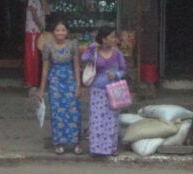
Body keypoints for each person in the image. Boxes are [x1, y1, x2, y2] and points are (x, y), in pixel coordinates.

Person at [81, 26, 128, 157]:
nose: (114, 39)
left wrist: (117, 74)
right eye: (111, 37)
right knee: (97, 120)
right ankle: (97, 148)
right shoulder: (95, 52)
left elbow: (124, 70)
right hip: (98, 90)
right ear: (103, 39)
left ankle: (111, 147)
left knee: (112, 120)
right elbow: (84, 58)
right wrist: (92, 46)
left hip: (114, 90)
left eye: (114, 36)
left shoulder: (117, 53)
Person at [39, 18, 83, 155]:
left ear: (67, 32)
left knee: (73, 112)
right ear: (53, 32)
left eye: (63, 30)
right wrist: (41, 89)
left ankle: (76, 142)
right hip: (55, 83)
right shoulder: (48, 47)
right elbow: (45, 69)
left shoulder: (73, 45)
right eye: (57, 30)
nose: (60, 33)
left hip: (70, 81)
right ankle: (59, 143)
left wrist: (78, 85)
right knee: (58, 113)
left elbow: (76, 66)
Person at [22, 0, 45, 95]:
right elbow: (35, 14)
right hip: (34, 31)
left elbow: (34, 14)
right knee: (33, 57)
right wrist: (42, 27)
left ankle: (31, 82)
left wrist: (40, 27)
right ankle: (32, 83)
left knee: (32, 56)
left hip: (33, 31)